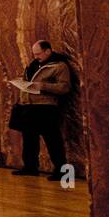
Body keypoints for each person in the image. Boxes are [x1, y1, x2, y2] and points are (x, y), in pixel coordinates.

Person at [8, 39, 74, 180]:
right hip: (29, 107)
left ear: (48, 51)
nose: (36, 56)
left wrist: (43, 86)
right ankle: (30, 167)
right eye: (34, 54)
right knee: (29, 139)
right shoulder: (33, 65)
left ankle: (62, 171)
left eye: (38, 54)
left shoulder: (59, 66)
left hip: (46, 108)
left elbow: (64, 87)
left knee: (52, 140)